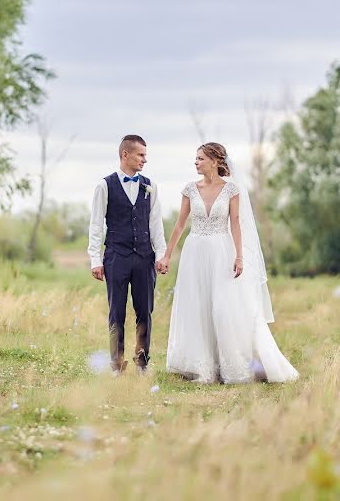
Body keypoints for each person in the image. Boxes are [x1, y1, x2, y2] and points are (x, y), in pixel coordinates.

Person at [158, 142, 298, 384]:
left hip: (222, 252)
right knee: (198, 306)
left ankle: (232, 365)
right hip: (195, 252)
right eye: (196, 158)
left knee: (223, 308)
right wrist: (167, 255)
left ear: (215, 161)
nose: (196, 162)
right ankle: (202, 366)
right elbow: (180, 224)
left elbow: (236, 224)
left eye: (200, 158)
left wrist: (239, 255)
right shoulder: (190, 189)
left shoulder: (231, 190)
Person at [87, 135, 167, 375]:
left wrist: (161, 254)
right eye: (141, 155)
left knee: (145, 311)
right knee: (117, 313)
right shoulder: (104, 185)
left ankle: (142, 362)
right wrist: (95, 259)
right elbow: (96, 225)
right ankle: (116, 365)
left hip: (144, 257)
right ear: (125, 154)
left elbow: (156, 224)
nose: (145, 159)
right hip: (116, 256)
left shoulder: (149, 186)